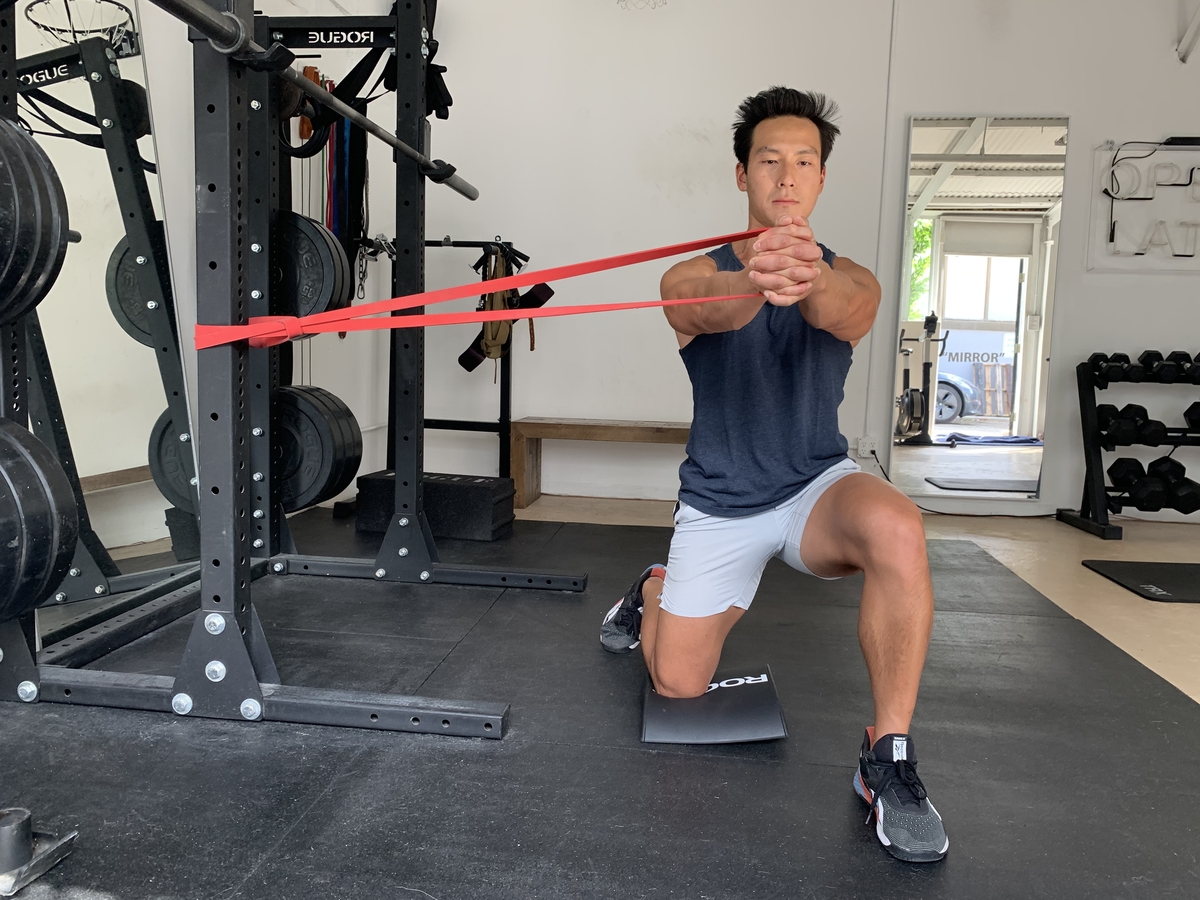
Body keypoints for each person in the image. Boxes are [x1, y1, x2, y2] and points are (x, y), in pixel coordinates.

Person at [599, 87, 948, 863]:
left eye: (804, 162)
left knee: (899, 525)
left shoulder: (853, 279)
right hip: (721, 503)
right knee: (677, 686)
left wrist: (806, 276)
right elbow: (702, 307)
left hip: (815, 491)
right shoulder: (692, 275)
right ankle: (655, 588)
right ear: (742, 174)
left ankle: (887, 759)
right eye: (769, 161)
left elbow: (844, 310)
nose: (787, 175)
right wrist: (754, 278)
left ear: (821, 178)